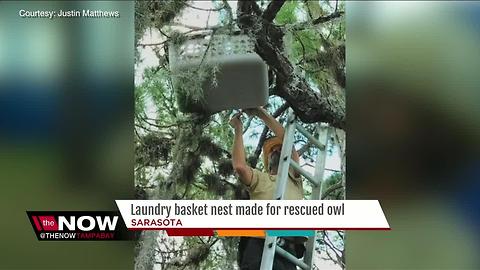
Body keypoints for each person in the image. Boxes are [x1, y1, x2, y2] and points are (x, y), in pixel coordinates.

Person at [229, 107, 306, 270]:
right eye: (272, 150)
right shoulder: (260, 179)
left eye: (279, 148)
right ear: (267, 160)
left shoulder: (293, 176)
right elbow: (240, 167)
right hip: (259, 244)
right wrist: (238, 129)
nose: (276, 150)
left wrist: (260, 113)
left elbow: (289, 144)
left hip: (288, 249)